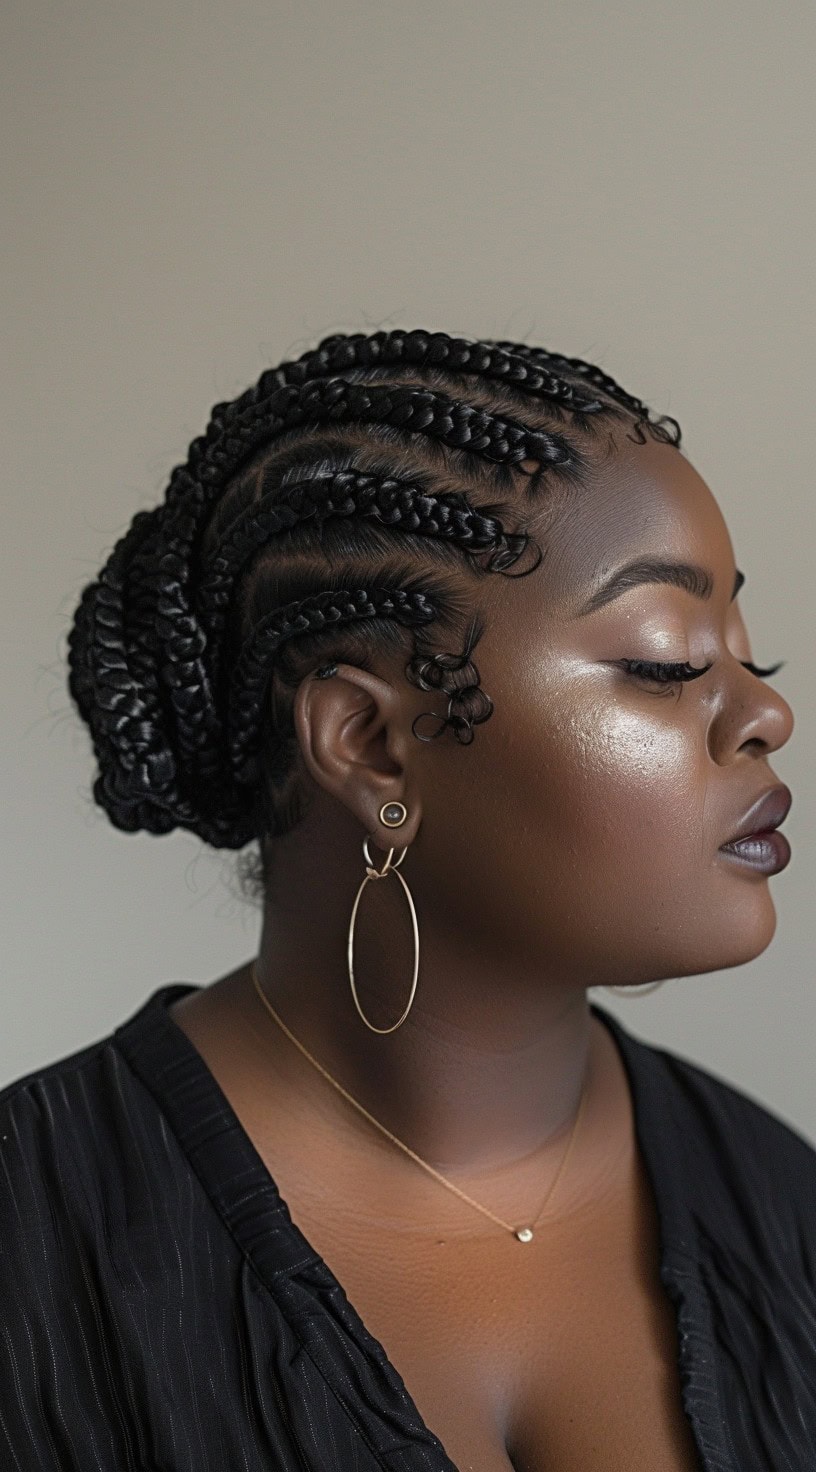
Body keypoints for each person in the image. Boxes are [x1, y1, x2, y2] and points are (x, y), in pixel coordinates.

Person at [1, 327, 813, 1472]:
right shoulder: (36, 1241)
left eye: (749, 656)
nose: (764, 716)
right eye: (668, 658)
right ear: (371, 743)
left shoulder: (785, 1211)